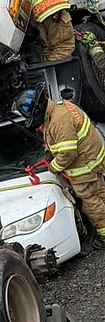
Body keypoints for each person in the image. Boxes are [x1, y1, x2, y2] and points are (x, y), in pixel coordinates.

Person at [18, 84, 105, 240]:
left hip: (84, 169)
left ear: (38, 110)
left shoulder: (59, 121)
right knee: (101, 194)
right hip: (93, 161)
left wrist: (53, 167)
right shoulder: (59, 107)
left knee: (92, 204)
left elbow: (68, 153)